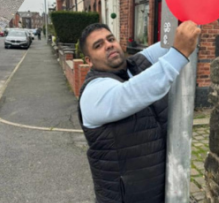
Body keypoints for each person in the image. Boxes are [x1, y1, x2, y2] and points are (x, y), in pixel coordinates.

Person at [77, 21, 201, 203]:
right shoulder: (93, 93)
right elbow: (132, 92)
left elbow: (174, 40)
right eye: (98, 45)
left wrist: (190, 16)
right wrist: (178, 54)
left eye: (110, 39)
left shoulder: (137, 64)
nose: (108, 44)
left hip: (161, 191)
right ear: (89, 60)